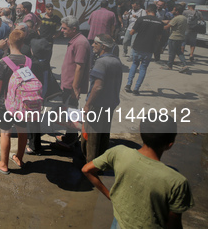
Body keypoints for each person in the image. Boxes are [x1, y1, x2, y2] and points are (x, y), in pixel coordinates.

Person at [82, 116, 194, 228]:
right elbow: (173, 225)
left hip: (119, 223)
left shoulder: (118, 152)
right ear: (170, 143)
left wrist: (110, 195)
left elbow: (86, 169)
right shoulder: (177, 182)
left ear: (140, 131)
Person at [0, 29, 44, 174]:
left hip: (5, 103)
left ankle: (3, 164)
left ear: (8, 42)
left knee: (5, 132)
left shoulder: (3, 62)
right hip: (23, 103)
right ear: (23, 43)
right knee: (22, 130)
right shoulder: (29, 61)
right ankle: (19, 157)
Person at [81, 34, 122, 163]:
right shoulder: (116, 60)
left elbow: (97, 87)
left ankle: (91, 166)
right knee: (104, 134)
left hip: (97, 105)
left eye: (96, 43)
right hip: (110, 104)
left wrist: (87, 105)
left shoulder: (101, 62)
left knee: (91, 137)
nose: (93, 45)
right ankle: (103, 161)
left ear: (103, 46)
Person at [55, 15, 91, 149]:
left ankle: (70, 140)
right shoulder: (75, 40)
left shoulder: (80, 43)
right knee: (69, 111)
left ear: (74, 29)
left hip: (71, 86)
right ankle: (69, 137)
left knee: (72, 113)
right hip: (68, 84)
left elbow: (79, 67)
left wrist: (75, 87)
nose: (62, 30)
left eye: (64, 28)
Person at [125, 3, 163, 94]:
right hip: (149, 48)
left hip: (137, 46)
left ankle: (128, 84)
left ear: (146, 10)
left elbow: (132, 33)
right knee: (143, 68)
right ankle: (136, 89)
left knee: (134, 64)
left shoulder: (141, 19)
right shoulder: (159, 23)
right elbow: (159, 38)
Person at [162, 4, 188, 72]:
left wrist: (158, 26)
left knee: (171, 52)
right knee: (179, 52)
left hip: (174, 37)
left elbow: (167, 27)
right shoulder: (184, 18)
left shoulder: (176, 18)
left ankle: (169, 66)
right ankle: (185, 65)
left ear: (177, 11)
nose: (172, 11)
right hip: (181, 37)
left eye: (174, 10)